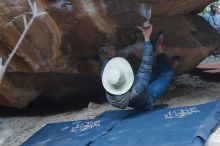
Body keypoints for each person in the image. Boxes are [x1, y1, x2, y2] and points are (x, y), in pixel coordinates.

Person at [100, 25, 178, 110]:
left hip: (134, 91)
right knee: (166, 74)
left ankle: (165, 66)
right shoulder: (137, 88)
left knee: (154, 73)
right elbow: (146, 65)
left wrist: (110, 57)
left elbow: (105, 68)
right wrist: (147, 38)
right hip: (147, 98)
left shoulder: (110, 82)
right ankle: (159, 50)